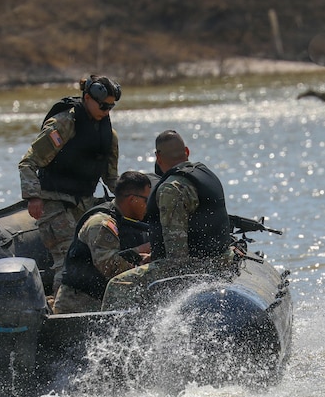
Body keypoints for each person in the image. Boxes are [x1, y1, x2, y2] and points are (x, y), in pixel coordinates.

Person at [102, 130, 232, 310]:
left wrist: (154, 262)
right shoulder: (205, 173)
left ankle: (116, 337)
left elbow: (176, 257)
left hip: (196, 268)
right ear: (186, 151)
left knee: (118, 285)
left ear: (158, 157)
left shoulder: (171, 189)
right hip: (222, 258)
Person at [18, 74, 121, 293]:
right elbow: (29, 162)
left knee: (93, 257)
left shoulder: (109, 135)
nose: (106, 111)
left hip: (84, 204)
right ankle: (60, 311)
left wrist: (129, 198)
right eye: (102, 105)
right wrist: (33, 197)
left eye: (110, 107)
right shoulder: (63, 124)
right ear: (86, 98)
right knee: (66, 261)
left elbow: (111, 177)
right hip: (54, 202)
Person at [53, 170, 153, 314]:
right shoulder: (101, 224)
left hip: (102, 304)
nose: (148, 205)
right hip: (79, 307)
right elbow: (108, 267)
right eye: (146, 200)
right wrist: (141, 254)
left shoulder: (127, 222)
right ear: (132, 199)